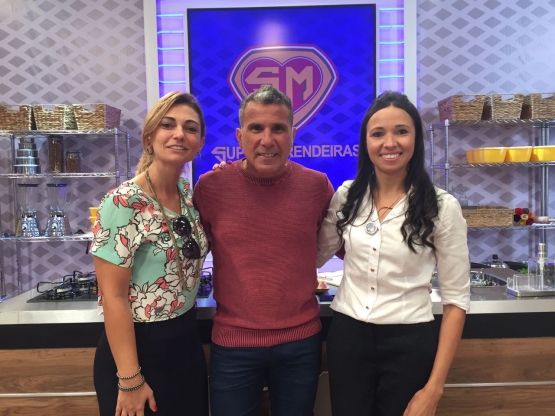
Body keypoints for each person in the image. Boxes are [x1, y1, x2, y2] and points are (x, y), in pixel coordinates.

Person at [317, 91, 470, 416]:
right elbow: (313, 255)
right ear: (366, 142)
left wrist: (434, 388)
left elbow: (457, 300)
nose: (390, 143)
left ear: (416, 138)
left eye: (401, 131)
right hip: (348, 337)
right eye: (378, 133)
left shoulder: (442, 207)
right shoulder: (346, 197)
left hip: (410, 341)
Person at [193, 85, 335, 416]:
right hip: (233, 344)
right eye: (256, 128)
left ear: (293, 135)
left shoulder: (317, 186)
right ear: (240, 136)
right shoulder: (210, 187)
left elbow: (352, 245)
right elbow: (187, 253)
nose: (267, 140)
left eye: (278, 128)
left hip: (301, 343)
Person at [90, 92, 210, 416]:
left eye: (190, 128)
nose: (179, 134)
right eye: (167, 125)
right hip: (138, 353)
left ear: (200, 142)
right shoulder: (123, 202)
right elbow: (113, 296)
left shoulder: (186, 193)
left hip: (185, 344)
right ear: (149, 136)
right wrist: (130, 379)